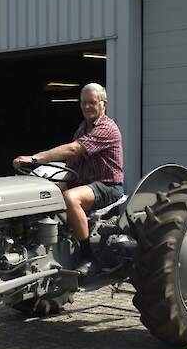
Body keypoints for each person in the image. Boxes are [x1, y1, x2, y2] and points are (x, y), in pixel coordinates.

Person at [13, 82, 123, 270]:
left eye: (92, 102)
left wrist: (35, 158)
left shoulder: (106, 128)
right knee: (47, 193)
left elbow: (73, 149)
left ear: (104, 104)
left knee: (71, 199)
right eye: (83, 103)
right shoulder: (83, 128)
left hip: (107, 186)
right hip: (84, 183)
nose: (87, 107)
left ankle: (88, 256)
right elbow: (73, 163)